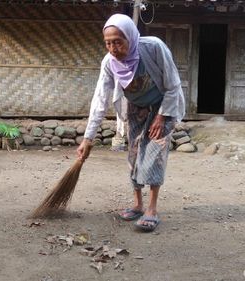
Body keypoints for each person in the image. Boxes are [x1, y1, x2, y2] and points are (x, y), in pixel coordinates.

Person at [76, 14, 185, 232]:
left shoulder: (154, 48)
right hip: (135, 109)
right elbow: (100, 99)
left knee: (154, 154)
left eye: (118, 41)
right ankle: (137, 204)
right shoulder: (109, 63)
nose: (113, 48)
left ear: (131, 37)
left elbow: (173, 84)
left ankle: (152, 209)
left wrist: (161, 116)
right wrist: (88, 138)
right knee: (134, 155)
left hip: (162, 106)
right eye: (108, 43)